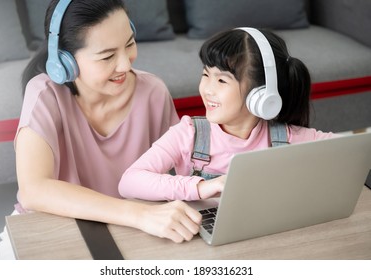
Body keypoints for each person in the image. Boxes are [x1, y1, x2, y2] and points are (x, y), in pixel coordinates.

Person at [0, 0, 202, 259]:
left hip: (132, 229)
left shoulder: (153, 91)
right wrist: (139, 214)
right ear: (64, 61)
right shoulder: (45, 95)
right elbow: (34, 190)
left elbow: (183, 170)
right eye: (107, 56)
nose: (125, 64)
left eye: (129, 43)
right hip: (55, 226)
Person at [118, 27, 337, 201]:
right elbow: (129, 182)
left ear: (261, 95)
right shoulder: (188, 134)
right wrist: (203, 187)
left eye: (222, 80)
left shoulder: (286, 137)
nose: (207, 89)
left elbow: (352, 150)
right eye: (206, 74)